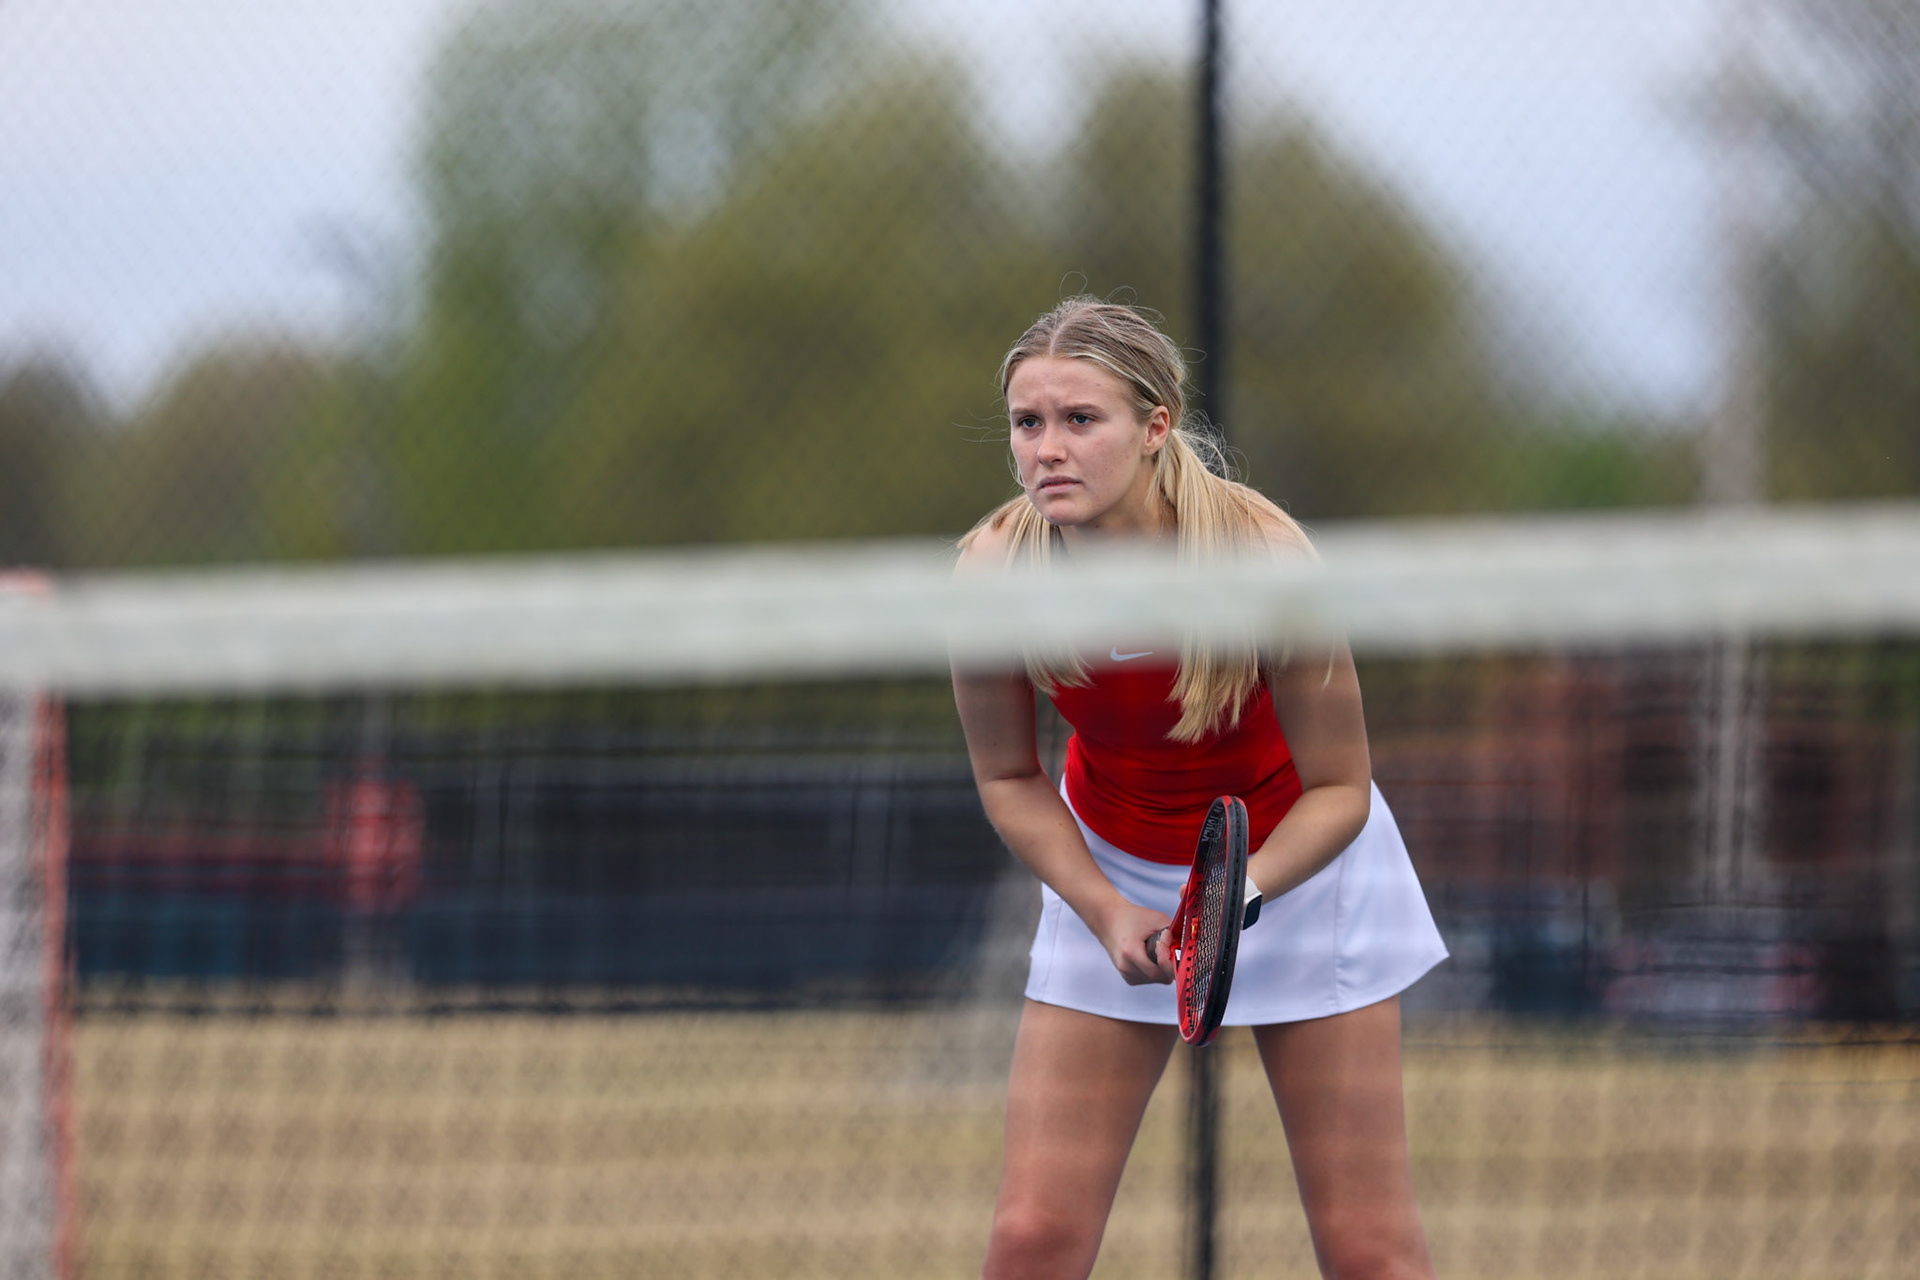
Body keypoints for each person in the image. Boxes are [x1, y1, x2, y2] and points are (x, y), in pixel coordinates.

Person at [951, 297, 1448, 1280]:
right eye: (1027, 422)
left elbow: (1342, 786)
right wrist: (1104, 908)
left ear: (1154, 426)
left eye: (1080, 419)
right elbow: (1008, 774)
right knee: (1029, 1241)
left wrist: (1238, 893)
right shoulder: (995, 572)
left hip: (1303, 872)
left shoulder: (1263, 558)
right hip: (1114, 875)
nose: (1048, 447)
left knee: (1370, 1252)